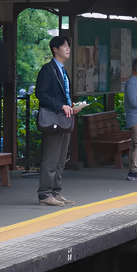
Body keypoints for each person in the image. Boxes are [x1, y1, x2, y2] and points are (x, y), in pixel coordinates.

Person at [36, 36, 85, 206]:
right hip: (53, 120)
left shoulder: (62, 70)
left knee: (61, 160)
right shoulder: (48, 69)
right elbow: (41, 94)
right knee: (51, 159)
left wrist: (71, 106)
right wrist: (60, 106)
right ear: (55, 49)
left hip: (64, 119)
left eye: (68, 46)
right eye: (64, 46)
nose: (68, 48)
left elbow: (62, 96)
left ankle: (55, 192)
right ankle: (45, 194)